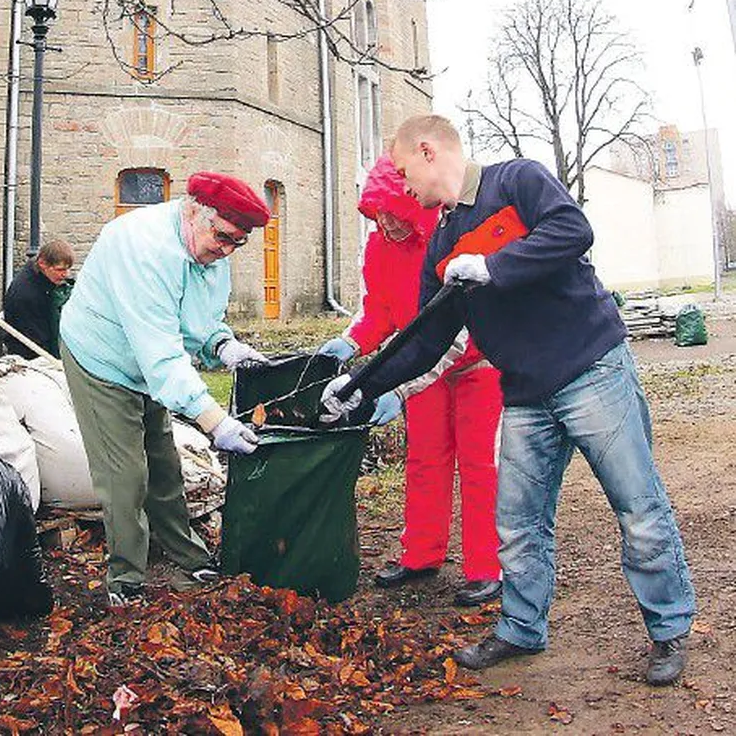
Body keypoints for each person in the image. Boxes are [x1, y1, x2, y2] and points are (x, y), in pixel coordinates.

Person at [321, 115, 695, 686]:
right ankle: (521, 627)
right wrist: (361, 386)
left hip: (591, 369)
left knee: (638, 509)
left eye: (402, 173)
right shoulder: (441, 244)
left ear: (427, 151)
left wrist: (495, 266)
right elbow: (425, 338)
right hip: (524, 393)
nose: (404, 187)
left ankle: (668, 630)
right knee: (518, 523)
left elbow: (572, 231)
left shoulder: (515, 180)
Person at [59, 172, 271, 607]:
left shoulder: (208, 246)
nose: (227, 250)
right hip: (101, 358)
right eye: (223, 237)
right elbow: (161, 356)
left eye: (238, 243)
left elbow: (196, 321)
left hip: (147, 362)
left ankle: (186, 555)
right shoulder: (144, 248)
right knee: (125, 474)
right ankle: (125, 577)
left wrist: (223, 345)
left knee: (163, 462)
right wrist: (215, 422)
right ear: (194, 210)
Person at [317, 154, 502, 607]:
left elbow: (461, 321)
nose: (387, 226)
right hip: (420, 370)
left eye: (394, 216)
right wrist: (350, 343)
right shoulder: (380, 247)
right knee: (424, 460)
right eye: (378, 217)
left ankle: (487, 566)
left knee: (480, 466)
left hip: (476, 364)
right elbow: (378, 311)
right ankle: (421, 553)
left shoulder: (447, 237)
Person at [0, 238, 75, 358]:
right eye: (60, 270)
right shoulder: (26, 294)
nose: (66, 274)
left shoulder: (42, 276)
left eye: (68, 269)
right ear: (42, 264)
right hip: (30, 355)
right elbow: (35, 342)